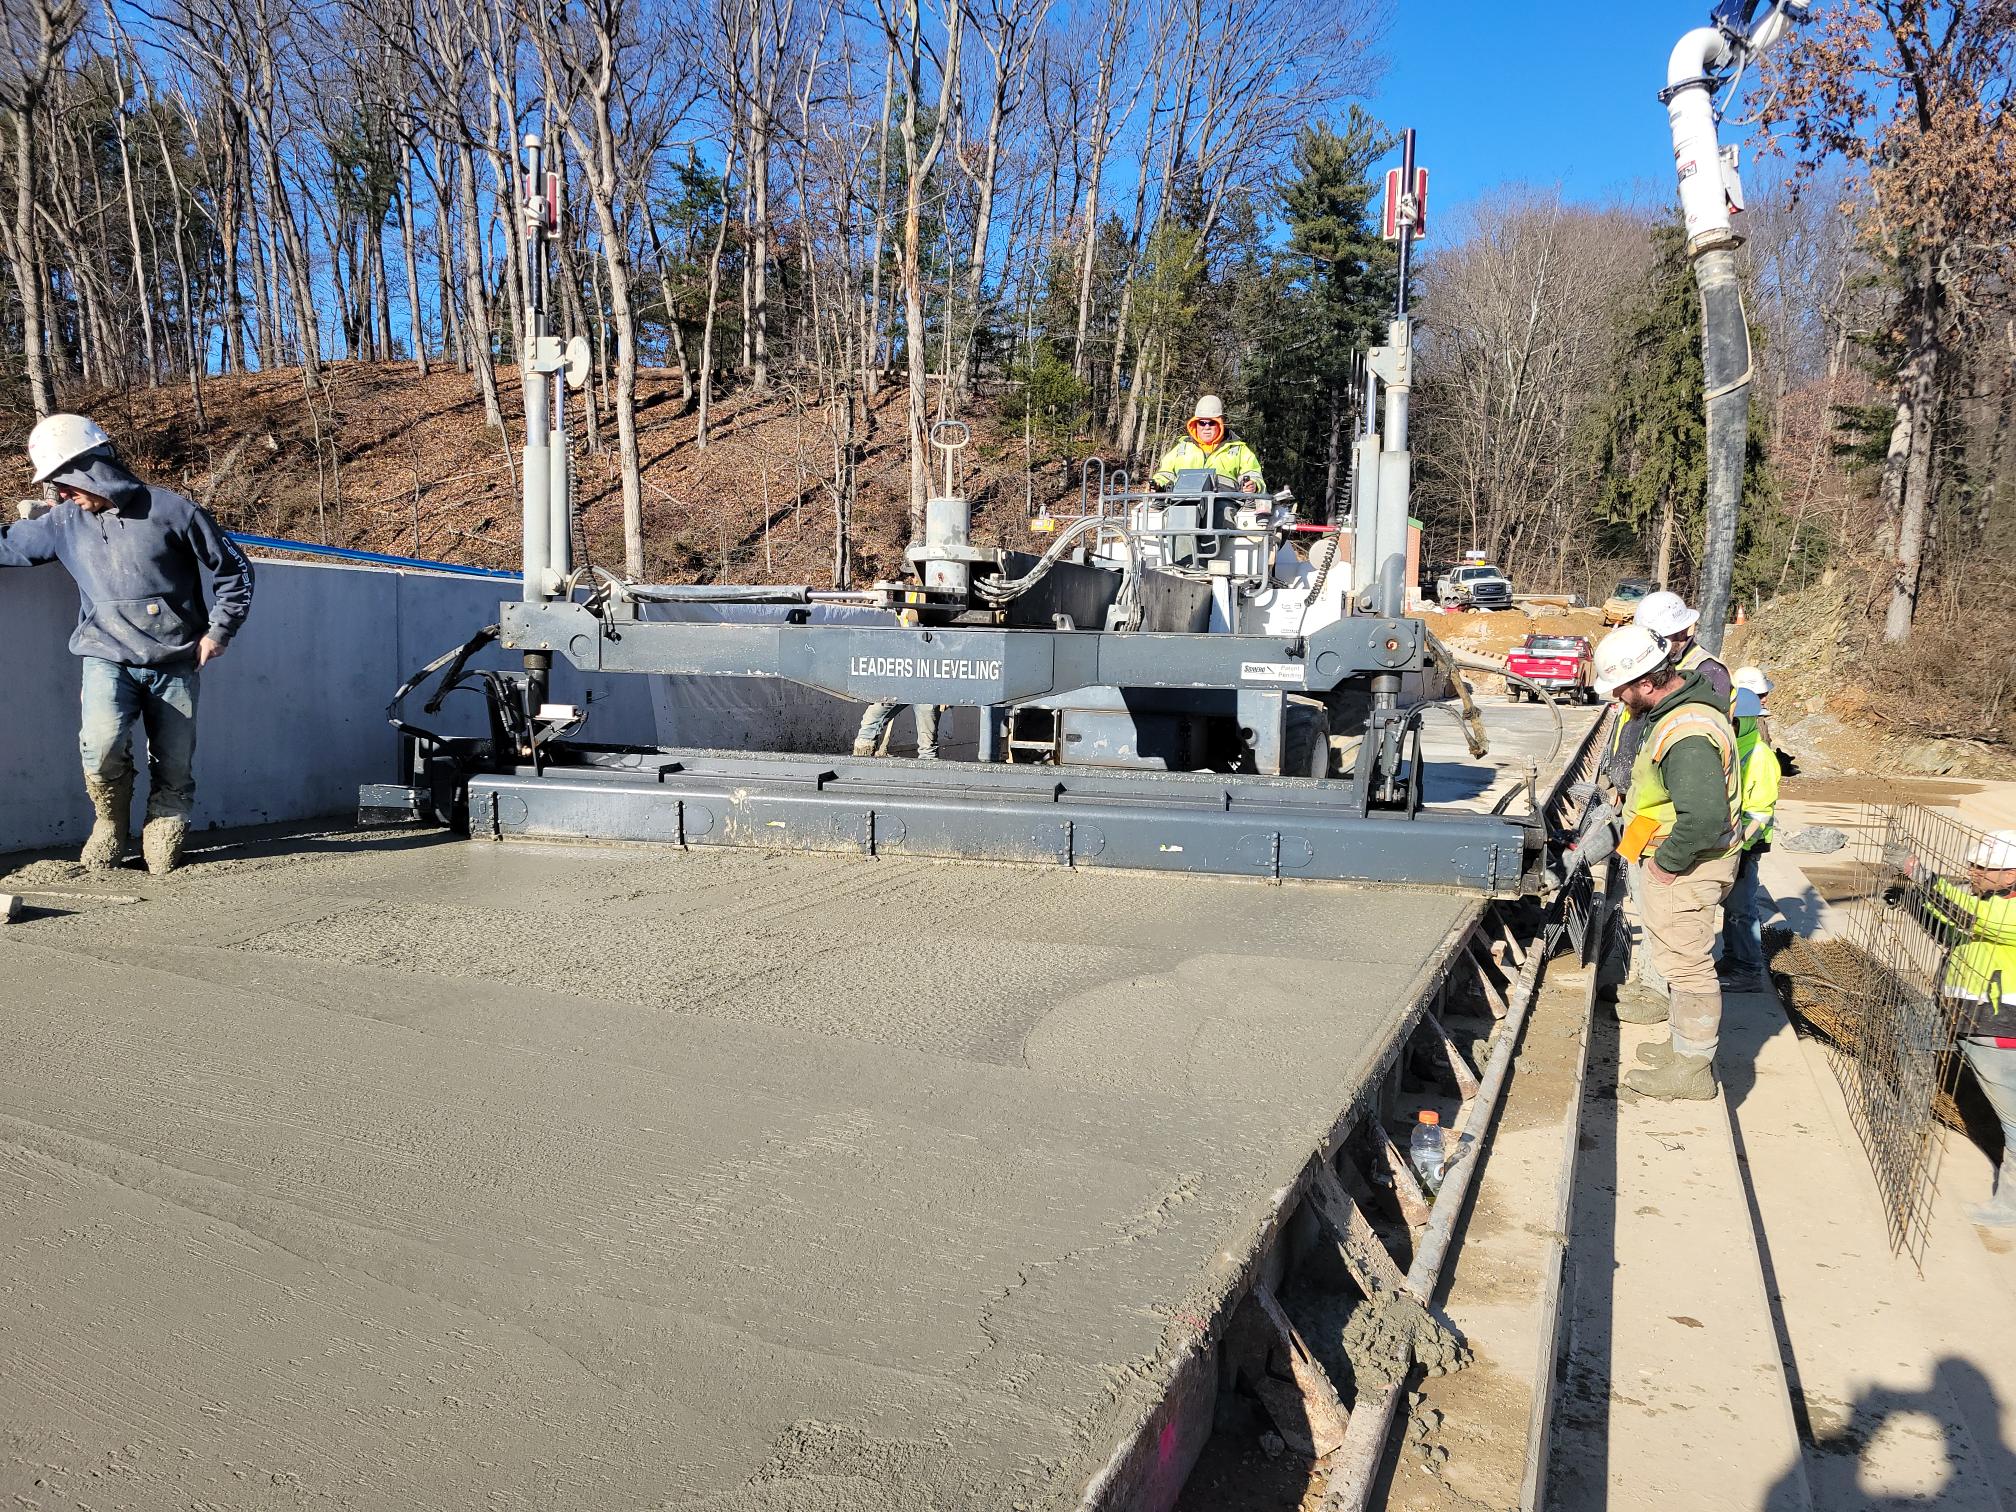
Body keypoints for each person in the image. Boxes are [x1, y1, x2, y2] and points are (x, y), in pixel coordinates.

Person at [0, 414, 254, 874]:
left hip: (175, 660)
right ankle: (110, 822)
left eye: (66, 483)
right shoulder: (62, 523)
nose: (61, 494)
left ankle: (164, 824)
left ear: (92, 470)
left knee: (175, 762)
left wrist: (219, 632)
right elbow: (10, 545)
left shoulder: (173, 511)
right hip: (105, 656)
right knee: (100, 746)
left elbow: (235, 571)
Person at [1592, 624, 1742, 1101]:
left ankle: (1693, 1069)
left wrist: (1666, 864)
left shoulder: (1688, 733)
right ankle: (1683, 1047)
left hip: (1686, 865)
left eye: (1620, 689)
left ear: (1646, 681)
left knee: (1688, 966)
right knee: (1678, 959)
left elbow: (1703, 819)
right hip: (1676, 859)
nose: (1617, 699)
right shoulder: (1678, 709)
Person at [1892, 829, 2016, 1227]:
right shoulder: (1993, 905)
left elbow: (1967, 915)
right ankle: (1909, 1121)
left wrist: (1920, 875)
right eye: (1973, 864)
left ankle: (2010, 1206)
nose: (1973, 871)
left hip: (1997, 1028)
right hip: (1962, 1016)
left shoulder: (2006, 913)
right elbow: (1954, 933)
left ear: (2011, 874)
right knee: (1915, 1042)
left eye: (1984, 867)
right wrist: (1916, 904)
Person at [1717, 684, 1782, 993]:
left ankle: (1748, 969)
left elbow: (1760, 811)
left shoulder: (1759, 757)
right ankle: (1732, 959)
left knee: (1742, 907)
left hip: (1745, 843)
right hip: (1733, 841)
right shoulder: (1736, 748)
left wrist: (1739, 845)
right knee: (1732, 908)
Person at [1632, 589, 1732, 708]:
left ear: (1682, 632)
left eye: (1659, 639)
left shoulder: (1708, 671)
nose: (1652, 646)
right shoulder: (1660, 663)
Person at [1150, 395, 1265, 493]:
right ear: (1195, 424)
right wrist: (1156, 484)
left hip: (1225, 501)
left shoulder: (1239, 449)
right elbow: (1165, 474)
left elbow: (1254, 475)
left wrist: (1254, 485)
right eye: (1202, 423)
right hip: (1182, 500)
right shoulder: (1181, 448)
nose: (1206, 427)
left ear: (1220, 423)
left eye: (1211, 423)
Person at [852, 701, 940, 760]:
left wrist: (948, 694)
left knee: (928, 744)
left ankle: (926, 782)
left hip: (928, 685)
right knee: (870, 722)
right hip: (896, 682)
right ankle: (860, 768)